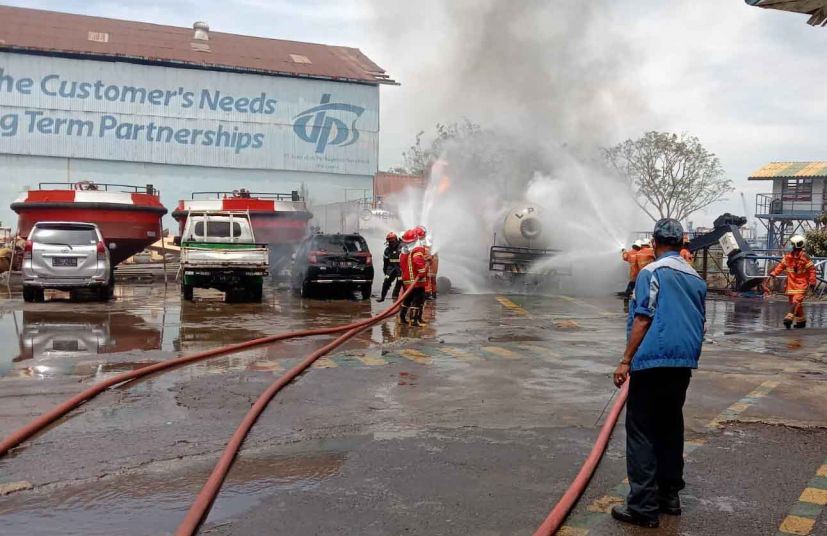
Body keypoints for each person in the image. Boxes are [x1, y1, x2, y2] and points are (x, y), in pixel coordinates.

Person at [611, 218, 707, 529]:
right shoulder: (695, 277)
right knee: (670, 428)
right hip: (682, 364)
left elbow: (643, 317)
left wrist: (625, 360)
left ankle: (643, 507)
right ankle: (669, 497)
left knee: (642, 433)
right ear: (683, 242)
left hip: (652, 361)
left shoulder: (651, 272)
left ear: (654, 242)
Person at [765, 235, 817, 329]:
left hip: (802, 284)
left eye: (794, 244)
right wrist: (773, 274)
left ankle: (788, 318)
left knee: (796, 302)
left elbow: (812, 270)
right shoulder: (788, 256)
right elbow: (781, 266)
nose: (793, 246)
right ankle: (801, 322)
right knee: (795, 303)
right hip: (791, 284)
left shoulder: (805, 257)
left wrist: (812, 282)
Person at [399, 229, 429, 326]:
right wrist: (422, 271)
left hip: (407, 281)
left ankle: (403, 319)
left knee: (407, 300)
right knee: (418, 300)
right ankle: (415, 321)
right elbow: (417, 261)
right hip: (416, 282)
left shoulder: (404, 251)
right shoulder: (416, 249)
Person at [377, 232, 403, 302]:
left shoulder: (402, 247)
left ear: (396, 240)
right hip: (391, 268)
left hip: (400, 268)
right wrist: (385, 272)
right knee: (386, 282)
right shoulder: (387, 250)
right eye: (389, 241)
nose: (391, 243)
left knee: (400, 281)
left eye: (392, 241)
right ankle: (382, 297)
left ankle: (396, 296)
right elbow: (385, 262)